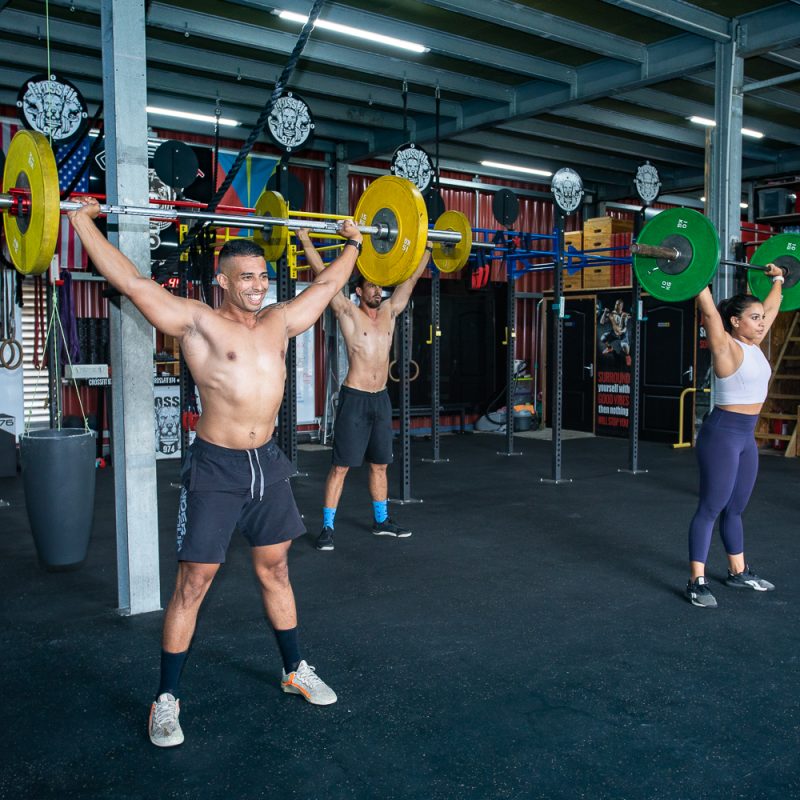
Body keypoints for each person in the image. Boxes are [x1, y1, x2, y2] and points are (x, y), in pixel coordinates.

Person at [68, 197, 363, 746]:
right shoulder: (197, 322)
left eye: (263, 276)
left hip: (269, 465)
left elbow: (324, 291)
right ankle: (166, 700)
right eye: (247, 277)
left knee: (276, 570)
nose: (259, 285)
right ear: (223, 281)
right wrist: (83, 222)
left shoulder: (277, 322)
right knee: (193, 584)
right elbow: (133, 283)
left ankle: (293, 669)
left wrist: (352, 244)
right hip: (217, 468)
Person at [295, 229, 430, 551]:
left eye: (380, 286)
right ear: (358, 290)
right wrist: (304, 240)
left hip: (381, 399)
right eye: (372, 286)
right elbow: (325, 280)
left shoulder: (390, 312)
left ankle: (381, 521)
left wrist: (427, 248)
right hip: (354, 399)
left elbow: (409, 282)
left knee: (381, 464)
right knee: (340, 466)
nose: (378, 291)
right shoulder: (347, 312)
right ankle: (327, 528)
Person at [685, 264, 784, 608]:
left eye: (761, 318)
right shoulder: (727, 347)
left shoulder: (754, 341)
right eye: (754, 318)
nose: (762, 322)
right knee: (711, 507)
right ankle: (696, 580)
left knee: (737, 508)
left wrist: (779, 278)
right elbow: (710, 313)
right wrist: (697, 279)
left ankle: (737, 571)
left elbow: (772, 305)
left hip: (745, 439)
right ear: (735, 322)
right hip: (722, 436)